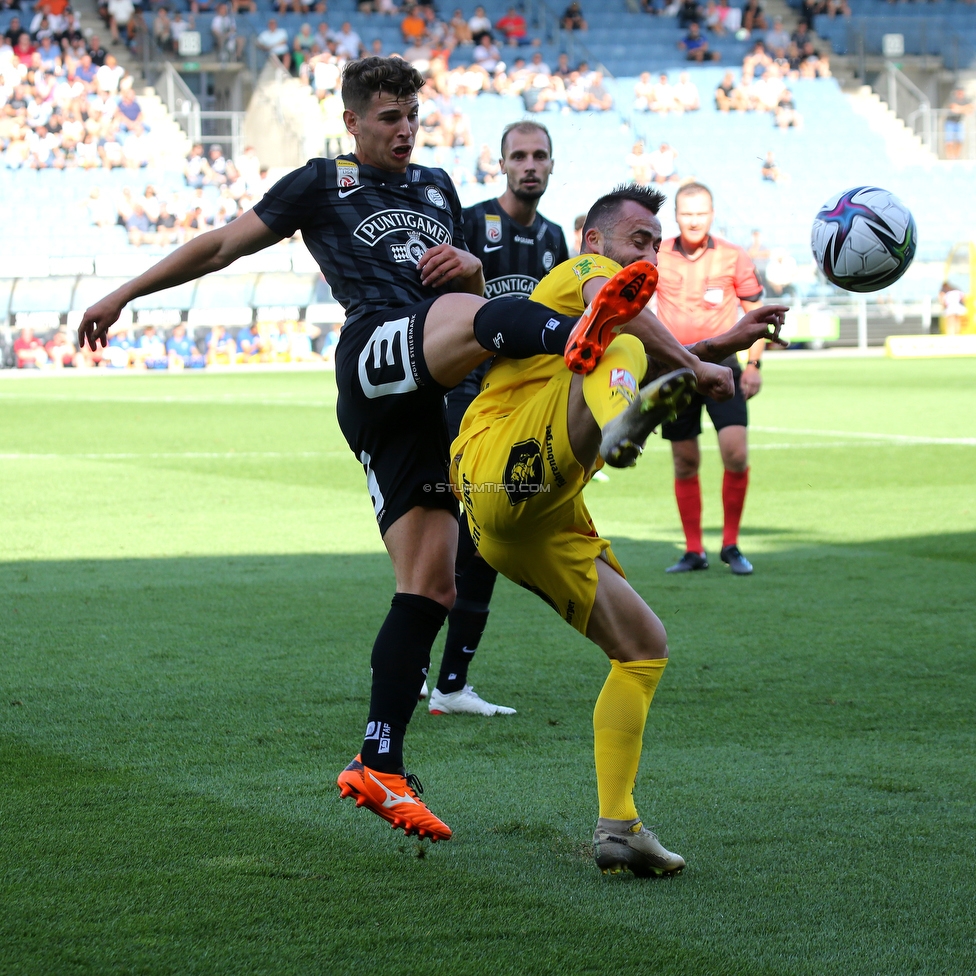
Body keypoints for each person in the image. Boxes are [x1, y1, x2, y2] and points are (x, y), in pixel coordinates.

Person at [77, 56, 658, 844]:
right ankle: (577, 338)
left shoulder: (437, 188)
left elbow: (471, 287)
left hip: (424, 395)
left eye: (412, 116)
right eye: (388, 118)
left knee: (432, 588)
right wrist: (122, 294)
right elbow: (221, 247)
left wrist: (478, 264)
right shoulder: (319, 183)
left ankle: (378, 762)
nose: (405, 130)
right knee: (469, 312)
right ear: (352, 122)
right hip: (375, 350)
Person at [450, 183, 788, 874]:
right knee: (621, 339)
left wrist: (720, 344)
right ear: (593, 241)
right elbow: (626, 320)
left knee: (643, 646)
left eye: (656, 244)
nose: (651, 253)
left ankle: (618, 826)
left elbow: (639, 333)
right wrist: (700, 363)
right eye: (639, 238)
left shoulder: (620, 314)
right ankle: (619, 427)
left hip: (532, 519)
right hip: (497, 456)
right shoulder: (580, 275)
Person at [428, 120, 570, 717]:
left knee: (476, 543)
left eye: (539, 156)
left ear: (552, 165)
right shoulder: (473, 221)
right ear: (502, 164)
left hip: (517, 403)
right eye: (519, 156)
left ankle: (447, 683)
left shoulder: (557, 237)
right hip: (464, 395)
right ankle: (435, 679)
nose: (530, 165)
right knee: (458, 539)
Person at [654, 182, 765, 576]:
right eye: (687, 213)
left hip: (723, 368)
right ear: (676, 216)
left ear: (712, 214)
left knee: (735, 453)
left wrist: (754, 366)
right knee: (685, 460)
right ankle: (693, 550)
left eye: (701, 213)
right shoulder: (657, 254)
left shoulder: (734, 256)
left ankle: (731, 544)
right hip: (677, 368)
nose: (694, 220)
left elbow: (755, 313)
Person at [945, 87, 972, 161]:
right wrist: (964, 109)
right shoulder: (952, 99)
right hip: (950, 122)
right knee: (949, 141)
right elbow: (954, 109)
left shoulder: (965, 100)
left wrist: (960, 109)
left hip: (959, 122)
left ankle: (956, 157)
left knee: (960, 140)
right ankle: (950, 157)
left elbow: (971, 108)